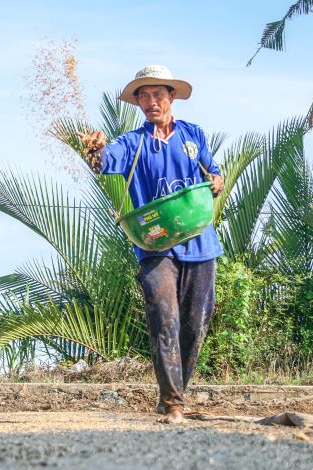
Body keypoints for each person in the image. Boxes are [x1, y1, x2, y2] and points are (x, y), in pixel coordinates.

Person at [78, 65, 224, 424]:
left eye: (157, 94)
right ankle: (173, 401)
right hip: (155, 244)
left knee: (195, 322)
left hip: (200, 242)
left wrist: (217, 178)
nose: (150, 102)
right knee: (164, 317)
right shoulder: (133, 143)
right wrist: (95, 149)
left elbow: (212, 170)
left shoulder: (194, 135)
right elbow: (105, 161)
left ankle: (174, 394)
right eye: (143, 96)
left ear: (171, 97)